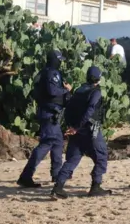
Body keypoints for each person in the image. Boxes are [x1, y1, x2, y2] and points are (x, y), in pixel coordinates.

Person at [51, 66, 111, 198]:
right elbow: (90, 110)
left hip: (76, 131)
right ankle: (96, 186)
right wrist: (77, 127)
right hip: (90, 130)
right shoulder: (96, 92)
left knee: (72, 159)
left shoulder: (79, 90)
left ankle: (58, 187)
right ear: (99, 78)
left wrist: (72, 126)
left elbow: (69, 108)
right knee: (101, 157)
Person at [17, 50, 72, 188]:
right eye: (59, 60)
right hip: (49, 114)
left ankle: (56, 173)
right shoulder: (51, 73)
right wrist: (66, 90)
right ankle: (26, 176)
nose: (61, 62)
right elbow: (52, 92)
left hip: (51, 113)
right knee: (46, 144)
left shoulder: (45, 72)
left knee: (58, 143)